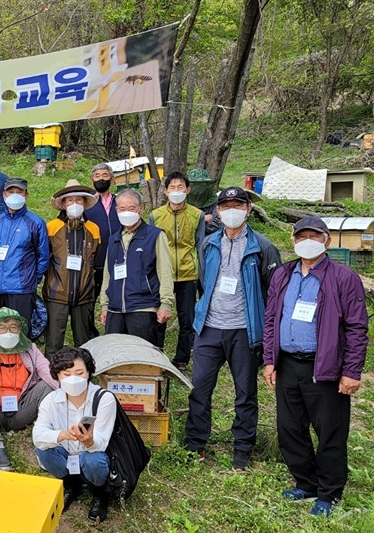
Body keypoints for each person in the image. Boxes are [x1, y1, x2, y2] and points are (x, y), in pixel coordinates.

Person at [263, 217, 368, 517]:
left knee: (330, 433)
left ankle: (329, 492)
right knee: (290, 429)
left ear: (327, 241)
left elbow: (357, 328)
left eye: (314, 235)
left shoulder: (343, 278)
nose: (307, 240)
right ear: (294, 240)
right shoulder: (283, 274)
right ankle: (306, 483)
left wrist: (351, 371)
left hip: (325, 368)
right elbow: (272, 320)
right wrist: (270, 360)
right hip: (288, 365)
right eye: (302, 236)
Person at [185, 186, 281, 471]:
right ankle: (195, 443)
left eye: (238, 205)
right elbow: (203, 281)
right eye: (225, 206)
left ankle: (242, 449)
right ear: (217, 211)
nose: (232, 211)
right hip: (209, 328)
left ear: (248, 209)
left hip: (245, 330)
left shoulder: (262, 247)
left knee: (245, 393)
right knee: (199, 388)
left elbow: (273, 292)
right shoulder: (209, 244)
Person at [0, 307, 58, 471]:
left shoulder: (30, 349)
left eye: (13, 327)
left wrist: (67, 392)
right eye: (2, 327)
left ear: (19, 329)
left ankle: (44, 437)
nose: (8, 332)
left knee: (47, 386)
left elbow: (46, 370)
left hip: (22, 408)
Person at [33, 347, 117, 522]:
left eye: (79, 373)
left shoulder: (104, 399)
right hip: (65, 454)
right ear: (57, 376)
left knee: (92, 459)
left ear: (89, 373)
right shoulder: (50, 401)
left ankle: (100, 494)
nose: (73, 379)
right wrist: (62, 434)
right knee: (43, 450)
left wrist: (89, 442)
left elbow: (102, 442)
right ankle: (71, 485)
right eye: (66, 374)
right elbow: (38, 436)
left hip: (91, 456)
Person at [98, 188, 174, 348]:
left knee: (144, 357)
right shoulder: (114, 239)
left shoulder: (155, 235)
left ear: (141, 208)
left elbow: (165, 271)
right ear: (116, 210)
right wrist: (104, 305)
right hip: (115, 308)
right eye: (122, 209)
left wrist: (166, 303)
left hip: (143, 306)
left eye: (131, 208)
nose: (127, 212)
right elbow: (108, 274)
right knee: (116, 357)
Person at [149, 171, 206, 370]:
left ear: (188, 190)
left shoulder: (196, 215)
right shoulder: (156, 216)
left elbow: (200, 244)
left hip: (188, 272)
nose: (176, 191)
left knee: (186, 318)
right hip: (162, 274)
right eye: (172, 187)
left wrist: (201, 275)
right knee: (159, 316)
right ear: (165, 191)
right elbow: (151, 246)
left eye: (180, 187)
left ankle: (181, 359)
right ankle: (156, 354)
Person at [43, 179, 101, 357]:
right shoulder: (52, 227)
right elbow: (45, 258)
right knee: (53, 342)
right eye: (70, 200)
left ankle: (84, 374)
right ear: (63, 203)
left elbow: (95, 260)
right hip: (56, 294)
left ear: (85, 203)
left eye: (79, 200)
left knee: (83, 343)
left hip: (84, 294)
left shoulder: (93, 229)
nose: (74, 204)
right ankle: (51, 377)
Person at [0, 177, 50, 326]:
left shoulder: (36, 223)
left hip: (21, 289)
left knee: (19, 333)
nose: (14, 195)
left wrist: (32, 279)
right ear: (3, 195)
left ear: (26, 195)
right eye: (11, 191)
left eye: (19, 192)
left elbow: (43, 257)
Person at [84, 163, 120, 338]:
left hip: (118, 259)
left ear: (111, 178)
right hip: (95, 261)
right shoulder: (87, 203)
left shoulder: (120, 201)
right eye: (97, 176)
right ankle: (90, 333)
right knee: (90, 299)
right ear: (92, 179)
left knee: (116, 297)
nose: (101, 179)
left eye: (105, 175)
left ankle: (113, 331)